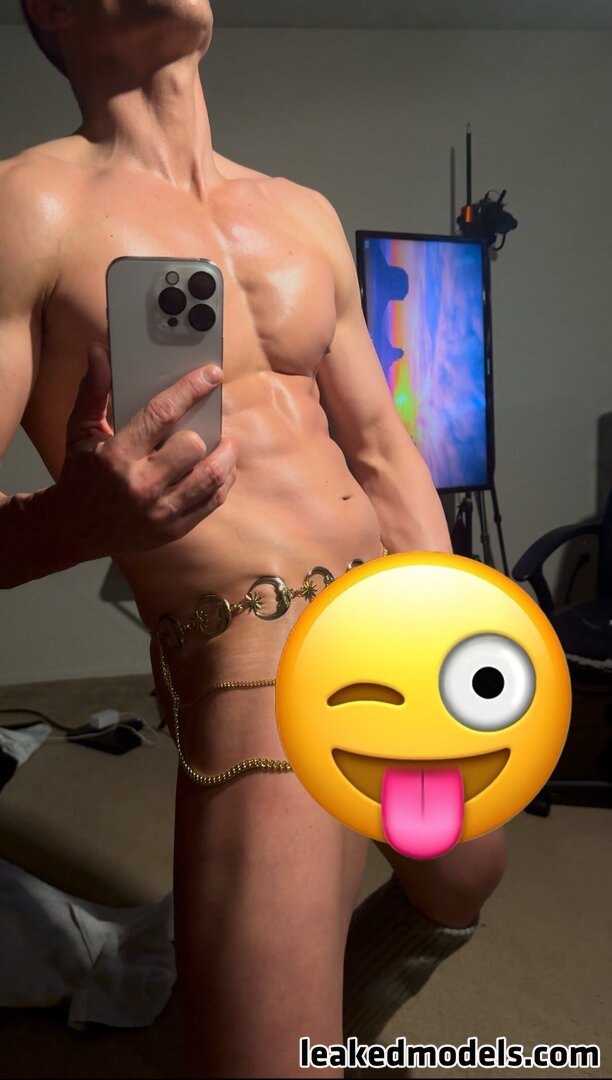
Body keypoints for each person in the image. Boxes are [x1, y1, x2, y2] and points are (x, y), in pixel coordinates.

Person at [0, 1, 507, 1075]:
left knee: (467, 871)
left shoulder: (300, 211)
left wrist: (450, 620)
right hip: (252, 647)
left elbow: (382, 447)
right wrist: (70, 523)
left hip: (387, 613)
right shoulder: (30, 206)